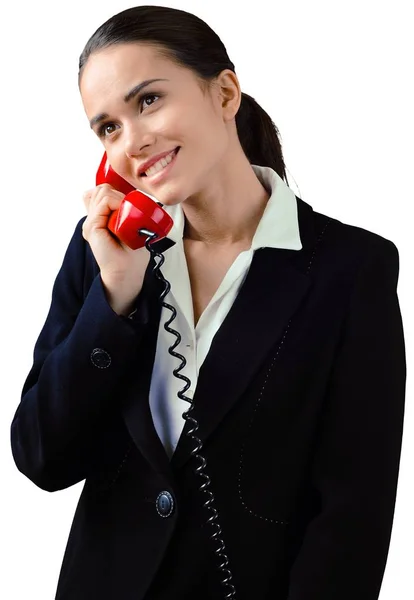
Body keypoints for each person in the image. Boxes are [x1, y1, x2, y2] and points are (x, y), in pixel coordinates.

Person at [10, 5, 406, 600]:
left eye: (148, 101)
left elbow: (352, 515)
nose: (133, 141)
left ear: (225, 93)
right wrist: (113, 302)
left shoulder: (351, 270)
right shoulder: (103, 251)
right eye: (108, 128)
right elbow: (42, 458)